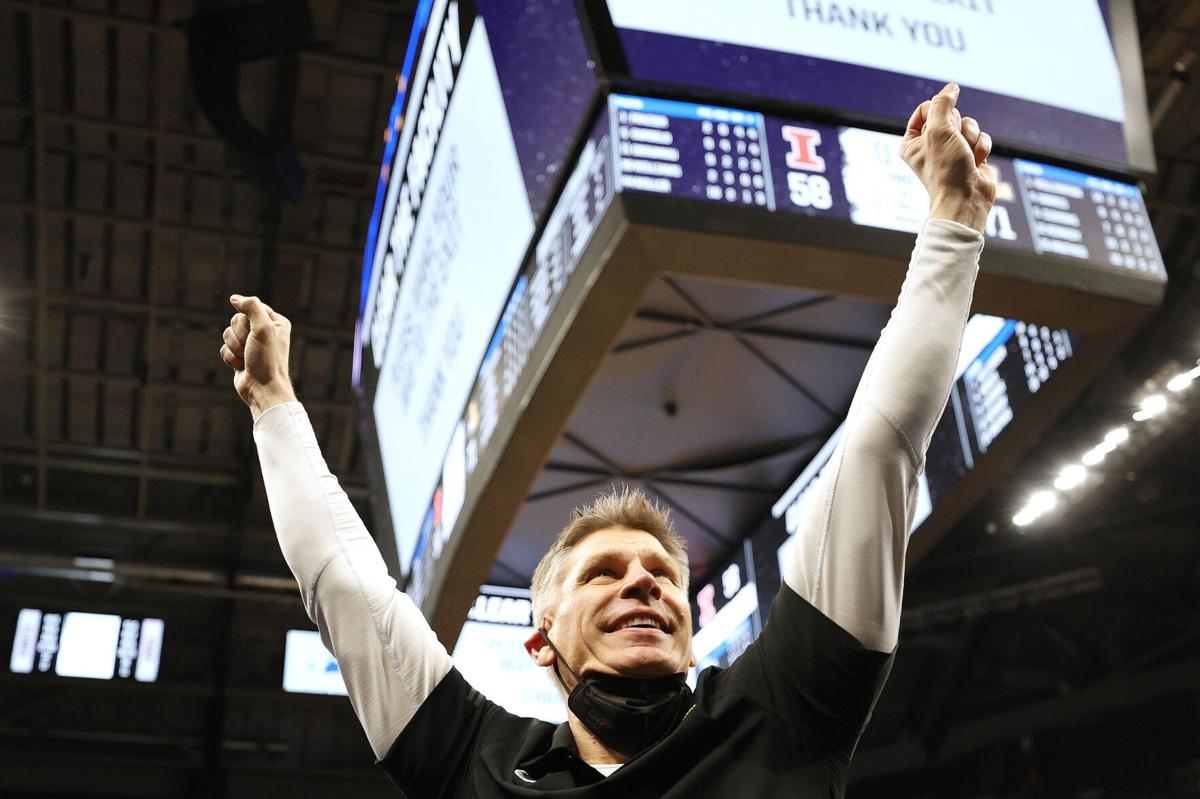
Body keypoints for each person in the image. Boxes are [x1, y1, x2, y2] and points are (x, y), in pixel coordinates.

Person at [219, 83, 996, 797]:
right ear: (539, 640)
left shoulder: (784, 709)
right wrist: (274, 405)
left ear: (693, 641)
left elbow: (878, 449)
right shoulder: (474, 758)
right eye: (602, 573)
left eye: (662, 572)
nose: (643, 583)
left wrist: (954, 222)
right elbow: (347, 589)